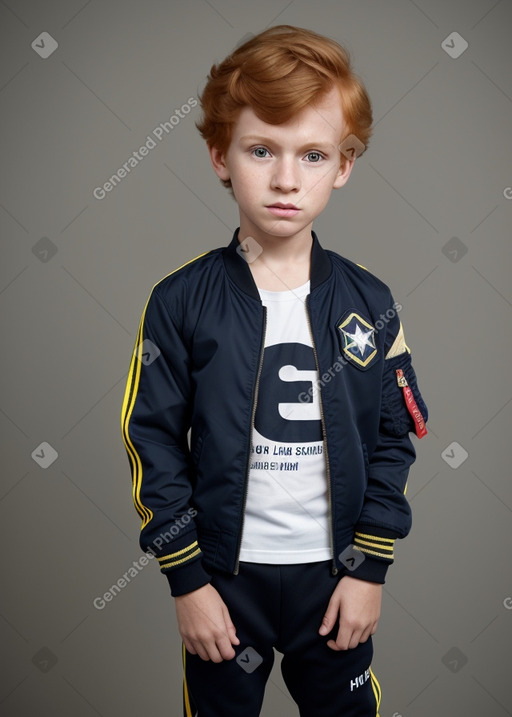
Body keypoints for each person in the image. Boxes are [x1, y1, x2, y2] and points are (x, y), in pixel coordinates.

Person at [121, 24, 428, 717]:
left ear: (344, 166)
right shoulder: (179, 301)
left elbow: (391, 437)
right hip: (225, 583)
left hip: (336, 579)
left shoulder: (370, 302)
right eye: (262, 150)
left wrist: (370, 567)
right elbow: (153, 441)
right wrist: (188, 581)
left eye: (313, 154)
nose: (287, 178)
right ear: (220, 156)